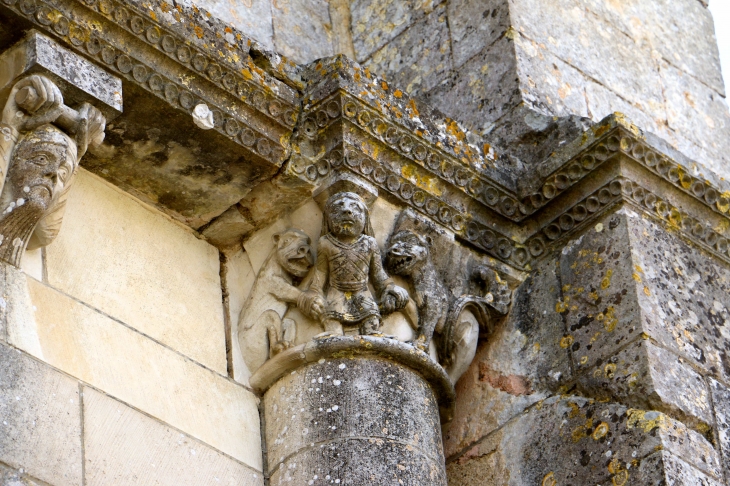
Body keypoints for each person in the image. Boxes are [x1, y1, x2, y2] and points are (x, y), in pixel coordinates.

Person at [299, 192, 409, 336]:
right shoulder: (325, 244)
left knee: (372, 325)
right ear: (327, 219)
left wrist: (390, 288)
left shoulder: (370, 244)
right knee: (332, 327)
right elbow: (320, 274)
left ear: (365, 217)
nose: (346, 210)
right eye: (338, 207)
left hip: (362, 293)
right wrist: (313, 296)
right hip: (336, 293)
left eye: (354, 207)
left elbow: (378, 275)